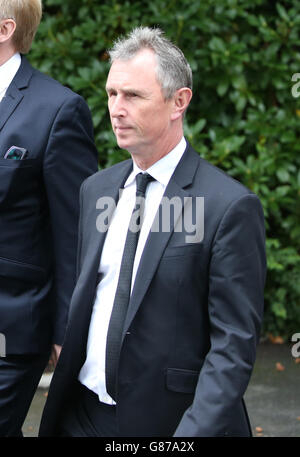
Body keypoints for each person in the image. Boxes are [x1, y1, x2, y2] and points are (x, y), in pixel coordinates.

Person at [39, 26, 266, 437]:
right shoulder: (96, 190)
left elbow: (232, 348)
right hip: (82, 418)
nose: (116, 108)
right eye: (112, 94)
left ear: (179, 101)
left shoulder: (227, 207)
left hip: (171, 426)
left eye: (134, 96)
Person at [0, 0, 98, 437]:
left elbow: (77, 234)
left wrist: (68, 333)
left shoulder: (58, 109)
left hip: (13, 327)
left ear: (5, 29)